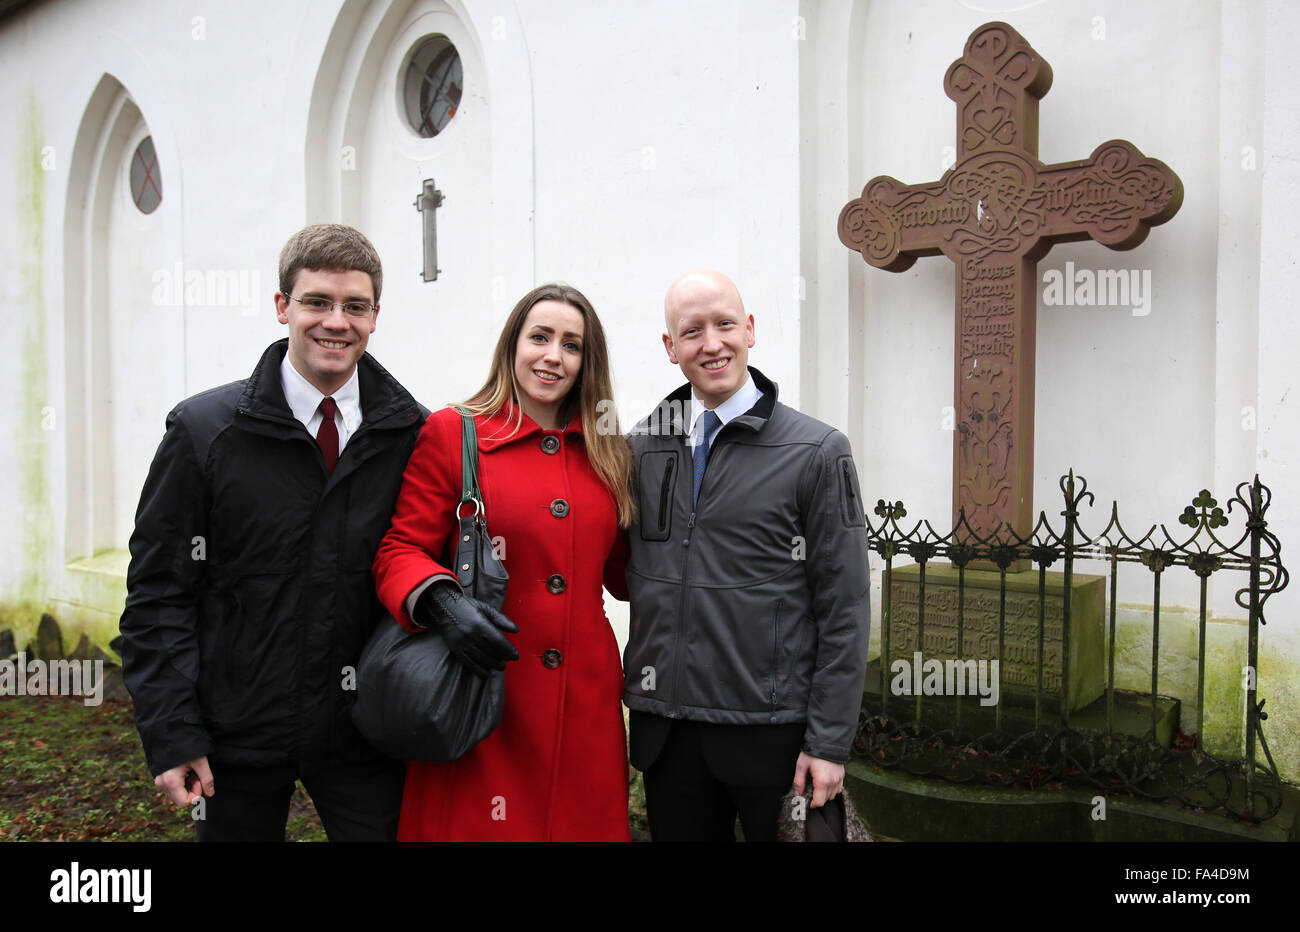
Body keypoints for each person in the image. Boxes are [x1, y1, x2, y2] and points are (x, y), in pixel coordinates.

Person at [118, 224, 427, 841]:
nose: (335, 322)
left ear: (374, 318)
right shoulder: (205, 433)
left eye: (354, 306)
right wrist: (173, 729)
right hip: (237, 733)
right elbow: (159, 592)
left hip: (363, 730)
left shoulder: (412, 434)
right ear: (282, 306)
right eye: (317, 301)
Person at [372, 283, 635, 841]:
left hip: (584, 708)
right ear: (512, 345)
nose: (553, 356)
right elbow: (400, 549)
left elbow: (624, 574)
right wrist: (442, 603)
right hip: (482, 693)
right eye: (539, 337)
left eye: (572, 345)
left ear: (588, 362)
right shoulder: (454, 432)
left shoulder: (609, 450)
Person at [623, 268, 871, 842]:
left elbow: (845, 605)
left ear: (751, 330)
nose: (711, 344)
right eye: (692, 331)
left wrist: (829, 743)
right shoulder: (640, 447)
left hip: (772, 735)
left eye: (725, 324)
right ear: (670, 347)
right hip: (669, 732)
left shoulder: (816, 450)